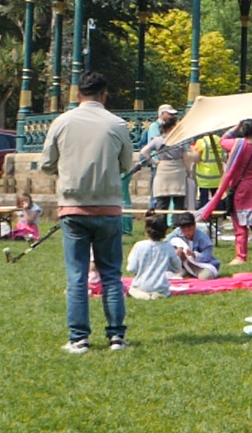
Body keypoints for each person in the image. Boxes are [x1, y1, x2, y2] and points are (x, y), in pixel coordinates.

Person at [40, 71, 136, 354]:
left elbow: (46, 163)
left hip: (73, 207)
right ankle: (116, 336)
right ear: (104, 95)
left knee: (77, 275)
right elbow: (125, 163)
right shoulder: (117, 124)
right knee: (110, 274)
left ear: (77, 94)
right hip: (108, 207)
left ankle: (78, 338)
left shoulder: (62, 122)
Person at [199, 118, 252, 264]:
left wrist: (235, 128)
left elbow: (223, 140)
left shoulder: (237, 144)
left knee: (240, 223)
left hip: (241, 187)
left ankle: (241, 256)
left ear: (243, 130)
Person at [138, 104, 195, 214]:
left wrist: (155, 162)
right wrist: (189, 172)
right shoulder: (180, 140)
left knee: (162, 203)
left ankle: (159, 227)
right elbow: (185, 158)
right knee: (179, 204)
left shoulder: (158, 139)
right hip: (178, 172)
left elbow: (144, 151)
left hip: (162, 170)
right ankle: (178, 226)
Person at [125, 213, 180, 300]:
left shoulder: (139, 246)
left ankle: (145, 296)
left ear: (147, 231)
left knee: (134, 290)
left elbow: (131, 269)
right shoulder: (168, 247)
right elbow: (177, 267)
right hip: (161, 290)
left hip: (140, 288)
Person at [169, 212, 220, 279]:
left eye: (189, 230)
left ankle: (187, 271)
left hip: (201, 264)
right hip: (182, 263)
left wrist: (194, 255)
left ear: (195, 226)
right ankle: (183, 270)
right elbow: (166, 242)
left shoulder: (202, 237)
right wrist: (177, 249)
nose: (187, 233)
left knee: (205, 277)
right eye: (184, 230)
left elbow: (207, 256)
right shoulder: (177, 232)